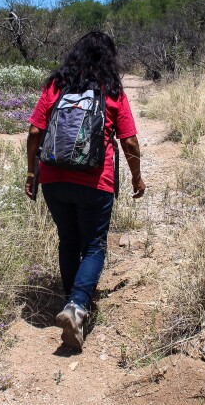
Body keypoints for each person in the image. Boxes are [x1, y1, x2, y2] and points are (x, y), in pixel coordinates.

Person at [25, 31, 145, 350]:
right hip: (95, 180)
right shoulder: (111, 90)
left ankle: (71, 300)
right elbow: (129, 141)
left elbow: (35, 132)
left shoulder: (56, 85)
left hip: (52, 178)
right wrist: (136, 177)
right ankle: (77, 307)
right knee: (93, 245)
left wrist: (30, 173)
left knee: (68, 239)